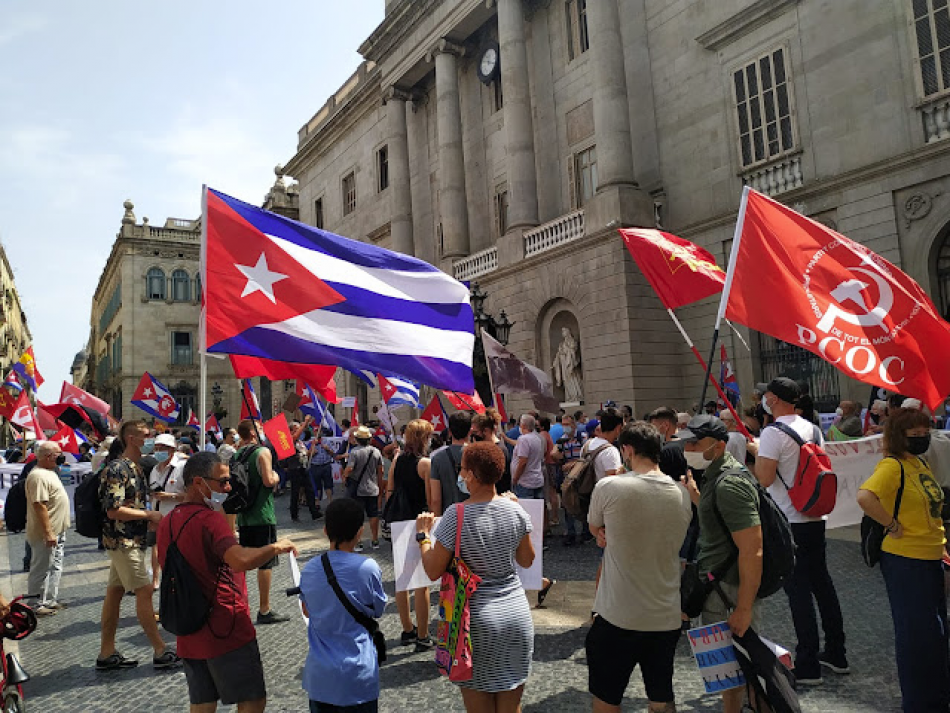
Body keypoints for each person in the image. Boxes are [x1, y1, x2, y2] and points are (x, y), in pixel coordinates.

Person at [158, 451, 298, 713]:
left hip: (188, 626)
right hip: (224, 624)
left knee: (202, 701)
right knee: (253, 698)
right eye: (222, 481)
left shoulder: (168, 521)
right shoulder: (210, 520)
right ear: (199, 482)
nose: (228, 487)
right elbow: (239, 560)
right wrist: (275, 547)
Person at [415, 441, 536, 713]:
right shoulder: (515, 509)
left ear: (470, 474)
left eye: (463, 469)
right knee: (511, 705)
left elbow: (433, 569)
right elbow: (527, 560)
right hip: (516, 614)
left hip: (474, 621)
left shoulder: (455, 515)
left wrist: (423, 537)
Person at [586, 422, 692, 713]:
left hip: (618, 613)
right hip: (665, 614)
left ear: (628, 450)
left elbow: (595, 525)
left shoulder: (609, 487)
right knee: (661, 695)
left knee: (607, 697)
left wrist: (603, 532)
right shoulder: (682, 494)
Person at [756, 377, 847, 684]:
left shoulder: (771, 432)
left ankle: (807, 664)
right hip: (814, 517)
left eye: (767, 394)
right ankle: (837, 652)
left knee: (798, 592)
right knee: (823, 585)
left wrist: (759, 451)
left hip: (789, 520)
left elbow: (765, 478)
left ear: (775, 399)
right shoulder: (814, 428)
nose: (764, 398)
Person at [858, 407, 949, 712]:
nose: (923, 438)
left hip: (930, 556)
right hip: (906, 561)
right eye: (916, 435)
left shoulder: (919, 463)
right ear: (900, 437)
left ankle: (937, 694)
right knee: (917, 634)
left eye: (926, 433)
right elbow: (865, 497)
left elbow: (930, 509)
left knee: (935, 632)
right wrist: (891, 524)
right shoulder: (892, 466)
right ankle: (920, 702)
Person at [679, 415, 763, 713]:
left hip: (728, 587)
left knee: (729, 664)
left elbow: (752, 549)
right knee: (729, 663)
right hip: (719, 583)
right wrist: (697, 497)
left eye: (694, 442)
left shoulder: (730, 483)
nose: (687, 447)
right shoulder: (716, 477)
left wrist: (743, 607)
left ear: (718, 446)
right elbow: (719, 520)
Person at [97, 420, 180, 671]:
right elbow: (113, 510)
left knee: (114, 593)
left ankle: (106, 653)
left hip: (131, 539)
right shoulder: (117, 469)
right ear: (132, 439)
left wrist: (146, 520)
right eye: (147, 435)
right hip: (123, 540)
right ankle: (160, 649)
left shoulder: (136, 468)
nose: (151, 439)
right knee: (144, 591)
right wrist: (149, 516)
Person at [299, 498, 387, 713]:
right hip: (358, 674)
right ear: (360, 532)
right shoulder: (368, 567)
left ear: (325, 530)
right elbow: (378, 609)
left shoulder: (309, 568)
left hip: (320, 677)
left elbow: (307, 610)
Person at [234, 419, 289, 625]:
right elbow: (268, 480)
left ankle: (238, 606)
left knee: (245, 560)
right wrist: (275, 476)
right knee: (265, 561)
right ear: (254, 432)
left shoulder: (237, 453)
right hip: (262, 513)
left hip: (244, 514)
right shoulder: (261, 452)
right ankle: (264, 609)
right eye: (260, 428)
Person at [387, 419, 433, 650]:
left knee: (402, 579)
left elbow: (390, 489)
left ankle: (407, 629)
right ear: (424, 438)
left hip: (398, 521)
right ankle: (423, 635)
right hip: (418, 522)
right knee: (421, 583)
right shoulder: (425, 464)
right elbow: (430, 499)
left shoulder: (397, 459)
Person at [25, 441, 70, 615]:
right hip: (46, 532)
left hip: (58, 530)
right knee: (41, 567)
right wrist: (48, 532)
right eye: (58, 454)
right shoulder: (38, 476)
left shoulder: (50, 472)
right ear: (47, 456)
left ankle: (50, 599)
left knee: (55, 566)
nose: (61, 456)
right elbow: (40, 505)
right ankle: (35, 603)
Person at [149, 433, 187, 590]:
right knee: (158, 550)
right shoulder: (154, 469)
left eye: (162, 448)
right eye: (157, 448)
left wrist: (170, 496)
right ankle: (160, 581)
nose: (159, 451)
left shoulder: (182, 467)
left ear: (172, 450)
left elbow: (192, 495)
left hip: (177, 520)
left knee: (177, 555)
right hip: (158, 519)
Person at [343, 425, 384, 550]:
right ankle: (375, 539)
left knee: (358, 515)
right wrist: (380, 486)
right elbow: (380, 471)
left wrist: (345, 476)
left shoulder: (354, 452)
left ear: (357, 439)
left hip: (358, 489)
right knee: (373, 514)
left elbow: (350, 468)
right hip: (372, 488)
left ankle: (358, 541)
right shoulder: (376, 451)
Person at [552, 413, 588, 546]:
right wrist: (556, 455)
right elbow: (555, 455)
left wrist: (573, 464)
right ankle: (570, 532)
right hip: (567, 476)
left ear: (573, 425)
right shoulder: (562, 439)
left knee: (582, 502)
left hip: (580, 474)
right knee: (567, 503)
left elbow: (587, 457)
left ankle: (585, 531)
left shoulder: (582, 437)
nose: (565, 427)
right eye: (563, 424)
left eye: (567, 424)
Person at [428, 410, 471, 516]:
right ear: (470, 431)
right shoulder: (479, 454)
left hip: (449, 519)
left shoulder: (437, 458)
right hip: (475, 516)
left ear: (450, 432)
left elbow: (436, 499)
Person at [470, 408, 512, 494]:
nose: (473, 436)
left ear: (485, 431)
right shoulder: (484, 447)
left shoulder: (500, 450)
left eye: (476, 432)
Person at [289, 417, 322, 523]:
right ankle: (294, 514)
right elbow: (295, 436)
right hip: (295, 469)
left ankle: (314, 513)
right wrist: (305, 423)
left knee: (310, 490)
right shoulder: (290, 439)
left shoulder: (300, 442)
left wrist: (312, 447)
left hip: (303, 467)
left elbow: (306, 454)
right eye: (297, 429)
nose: (300, 430)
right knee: (296, 492)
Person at [582, 408, 624, 483]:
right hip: (602, 493)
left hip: (585, 493)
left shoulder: (587, 444)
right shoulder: (610, 451)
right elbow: (614, 482)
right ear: (618, 428)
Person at [648, 407, 687, 482]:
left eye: (654, 426)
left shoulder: (666, 450)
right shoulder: (689, 444)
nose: (652, 431)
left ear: (666, 425)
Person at [511, 414, 546, 499]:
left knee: (526, 510)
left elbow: (523, 461)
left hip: (525, 482)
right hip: (537, 480)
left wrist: (515, 478)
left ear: (523, 425)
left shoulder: (524, 439)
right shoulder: (537, 438)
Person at [308, 427, 337, 509]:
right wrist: (312, 450)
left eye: (319, 431)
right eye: (316, 431)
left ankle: (330, 501)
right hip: (315, 466)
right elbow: (307, 454)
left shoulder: (327, 441)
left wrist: (328, 449)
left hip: (325, 465)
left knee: (328, 484)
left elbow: (333, 453)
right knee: (316, 485)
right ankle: (317, 501)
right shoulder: (311, 442)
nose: (317, 432)